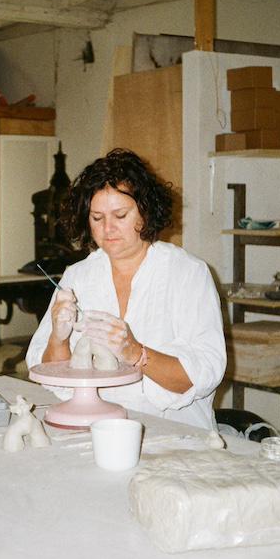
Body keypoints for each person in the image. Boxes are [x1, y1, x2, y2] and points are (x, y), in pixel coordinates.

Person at [25, 149, 226, 430]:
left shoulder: (188, 273)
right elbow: (49, 376)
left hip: (173, 434)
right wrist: (58, 339)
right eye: (97, 218)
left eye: (120, 215)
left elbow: (204, 374)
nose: (108, 228)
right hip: (94, 427)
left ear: (144, 212)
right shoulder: (78, 276)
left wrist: (135, 353)